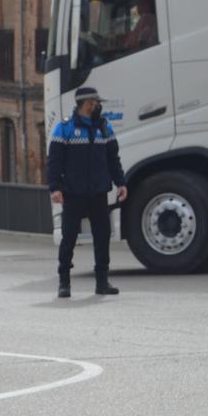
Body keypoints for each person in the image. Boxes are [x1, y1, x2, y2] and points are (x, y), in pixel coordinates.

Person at [47, 86, 128, 298]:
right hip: (73, 193)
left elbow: (113, 158)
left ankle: (102, 281)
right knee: (69, 238)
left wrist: (121, 183)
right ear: (86, 103)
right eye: (95, 102)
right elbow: (54, 161)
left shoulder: (104, 127)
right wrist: (54, 187)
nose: (98, 105)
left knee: (102, 237)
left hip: (99, 192)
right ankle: (64, 282)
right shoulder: (64, 128)